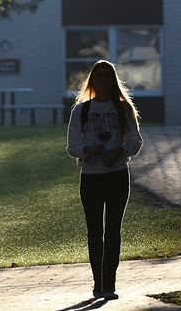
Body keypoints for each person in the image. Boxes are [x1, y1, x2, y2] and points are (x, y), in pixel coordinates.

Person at [66, 60, 143, 302]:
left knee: (113, 231)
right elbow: (72, 146)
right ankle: (97, 284)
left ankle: (109, 284)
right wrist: (87, 149)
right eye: (98, 76)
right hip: (91, 177)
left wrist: (120, 150)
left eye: (107, 76)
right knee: (94, 231)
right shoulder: (81, 110)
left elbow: (135, 141)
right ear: (92, 80)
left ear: (113, 80)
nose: (103, 80)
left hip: (117, 176)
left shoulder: (123, 109)